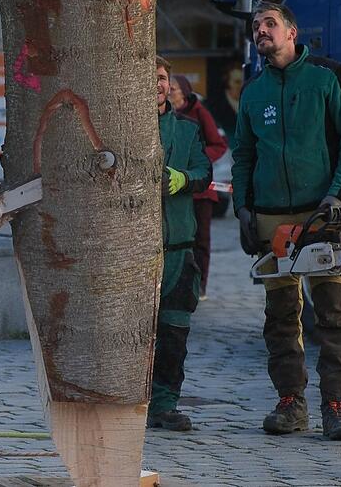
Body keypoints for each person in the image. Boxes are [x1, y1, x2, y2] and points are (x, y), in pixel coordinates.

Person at [231, 1, 341, 440]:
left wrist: (337, 197)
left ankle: (336, 407)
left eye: (270, 23)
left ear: (292, 31)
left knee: (333, 312)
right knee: (281, 316)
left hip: (323, 215)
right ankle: (290, 402)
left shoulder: (328, 77)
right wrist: (245, 209)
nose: (261, 30)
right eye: (256, 26)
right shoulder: (252, 92)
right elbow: (244, 155)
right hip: (273, 223)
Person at [148, 56, 212, 431]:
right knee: (137, 335)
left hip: (178, 249)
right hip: (137, 254)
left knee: (174, 333)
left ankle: (165, 404)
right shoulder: (124, 130)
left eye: (162, 78)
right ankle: (132, 403)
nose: (158, 84)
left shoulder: (186, 131)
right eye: (152, 78)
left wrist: (184, 179)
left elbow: (204, 172)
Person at [168, 75, 228, 301]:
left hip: (200, 190)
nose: (169, 92)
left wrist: (198, 160)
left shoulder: (199, 113)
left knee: (201, 239)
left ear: (184, 92)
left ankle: (200, 285)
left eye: (173, 88)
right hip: (175, 190)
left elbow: (218, 144)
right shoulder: (164, 115)